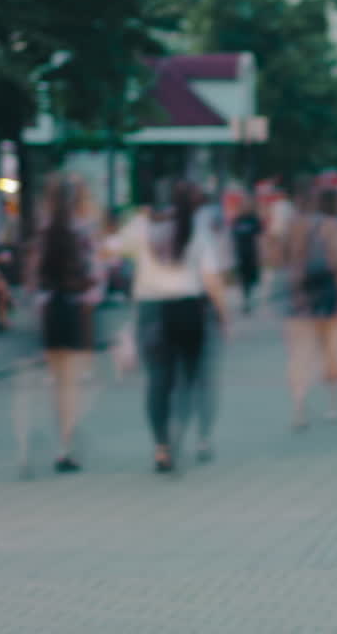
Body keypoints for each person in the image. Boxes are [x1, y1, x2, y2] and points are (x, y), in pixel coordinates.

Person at [108, 180, 229, 472]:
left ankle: (161, 446)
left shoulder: (139, 226)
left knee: (158, 380)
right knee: (189, 378)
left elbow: (109, 250)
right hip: (189, 308)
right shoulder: (195, 227)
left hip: (151, 310)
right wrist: (224, 314)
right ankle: (180, 431)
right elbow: (211, 277)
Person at [23, 175, 105, 474]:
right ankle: (67, 444)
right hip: (75, 310)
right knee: (73, 382)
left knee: (57, 382)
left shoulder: (43, 232)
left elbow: (32, 280)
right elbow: (97, 273)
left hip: (50, 312)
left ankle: (61, 441)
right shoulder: (83, 231)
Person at [283, 186, 337, 429]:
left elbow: (282, 259)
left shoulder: (294, 226)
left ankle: (298, 408)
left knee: (300, 354)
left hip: (301, 296)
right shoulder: (335, 226)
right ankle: (333, 406)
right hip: (329, 295)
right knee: (332, 350)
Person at [230, 197, 263, 314]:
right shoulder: (237, 220)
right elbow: (232, 237)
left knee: (252, 279)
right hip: (240, 254)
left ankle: (248, 297)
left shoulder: (253, 220)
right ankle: (246, 300)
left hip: (252, 253)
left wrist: (261, 254)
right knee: (243, 279)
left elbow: (260, 237)